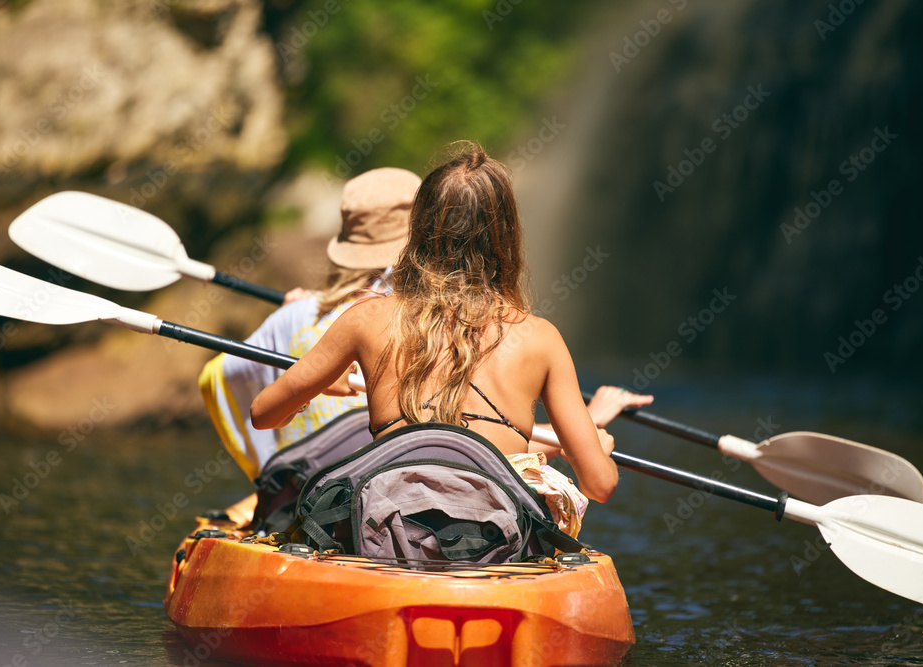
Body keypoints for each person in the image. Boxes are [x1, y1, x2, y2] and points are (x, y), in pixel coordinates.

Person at [250, 143, 644, 537]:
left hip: (389, 536)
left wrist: (309, 395)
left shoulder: (365, 318)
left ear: (418, 229)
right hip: (493, 545)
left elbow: (264, 415)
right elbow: (599, 485)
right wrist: (601, 451)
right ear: (506, 235)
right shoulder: (541, 338)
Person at [200, 167, 422, 481]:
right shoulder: (435, 314)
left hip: (311, 480)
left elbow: (223, 373)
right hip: (399, 476)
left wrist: (289, 327)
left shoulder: (298, 314)